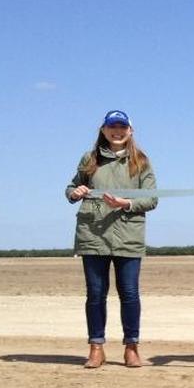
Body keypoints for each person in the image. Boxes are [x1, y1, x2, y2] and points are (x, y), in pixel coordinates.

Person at [65, 110, 158, 369]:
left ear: (130, 131)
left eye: (122, 127)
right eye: (112, 127)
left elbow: (152, 198)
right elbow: (71, 189)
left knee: (129, 293)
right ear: (103, 131)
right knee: (95, 293)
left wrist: (126, 203)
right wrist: (77, 192)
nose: (117, 132)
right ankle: (96, 347)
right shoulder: (89, 158)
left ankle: (131, 347)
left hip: (128, 235)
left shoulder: (141, 161)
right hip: (93, 235)